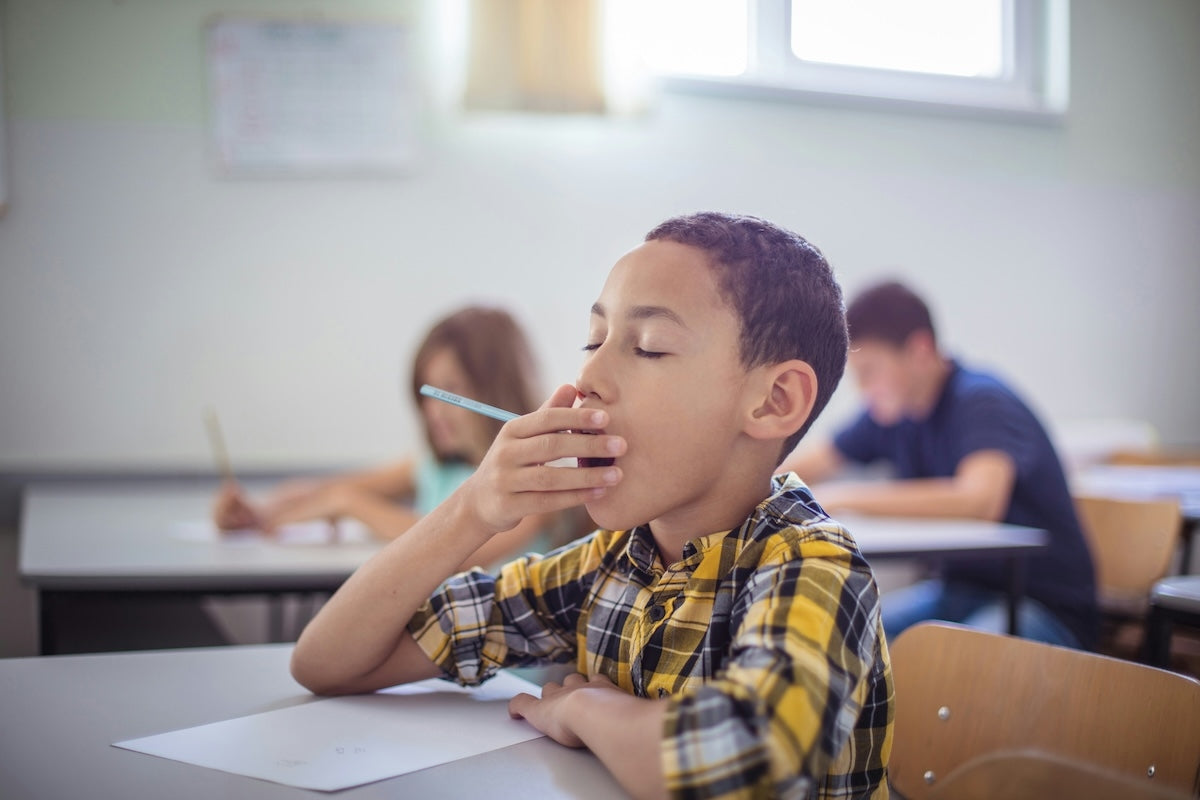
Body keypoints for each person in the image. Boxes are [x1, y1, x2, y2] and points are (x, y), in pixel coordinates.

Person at [290, 213, 893, 799]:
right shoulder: (607, 565)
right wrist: (472, 508)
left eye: (648, 347)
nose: (587, 378)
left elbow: (744, 765)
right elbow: (327, 662)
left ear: (774, 401)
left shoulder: (814, 566)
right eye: (593, 340)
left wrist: (585, 709)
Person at [781, 280, 1098, 650]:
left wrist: (845, 497)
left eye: (870, 372)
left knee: (946, 663)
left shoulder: (982, 400)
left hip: (1042, 603)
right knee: (835, 634)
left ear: (920, 350)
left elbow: (979, 501)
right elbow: (811, 461)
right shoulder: (891, 412)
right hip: (960, 591)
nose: (864, 389)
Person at [213, 305, 555, 570]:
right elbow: (331, 490)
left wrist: (349, 505)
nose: (433, 411)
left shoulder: (537, 477)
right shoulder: (433, 467)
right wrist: (258, 512)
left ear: (495, 387)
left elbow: (458, 553)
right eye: (427, 393)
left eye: (450, 390)